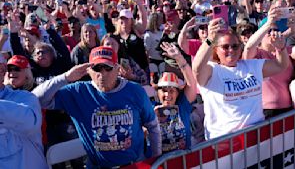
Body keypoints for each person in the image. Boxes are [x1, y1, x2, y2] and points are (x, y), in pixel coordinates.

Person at [33, 46, 161, 168]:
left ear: (117, 68)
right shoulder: (78, 92)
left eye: (107, 67)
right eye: (97, 68)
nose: (102, 73)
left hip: (134, 164)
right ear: (88, 70)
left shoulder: (135, 91)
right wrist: (66, 77)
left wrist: (157, 160)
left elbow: (152, 126)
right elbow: (36, 99)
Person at [192, 18, 289, 140]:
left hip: (256, 136)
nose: (231, 50)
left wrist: (281, 48)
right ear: (216, 49)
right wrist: (210, 38)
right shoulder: (212, 70)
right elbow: (197, 68)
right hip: (224, 141)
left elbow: (280, 65)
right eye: (225, 47)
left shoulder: (251, 65)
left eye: (235, 46)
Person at [243, 7, 295, 118]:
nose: (273, 33)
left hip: (287, 108)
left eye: (275, 30)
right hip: (264, 110)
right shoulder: (257, 53)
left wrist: (294, 30)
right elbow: (248, 48)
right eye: (268, 31)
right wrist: (268, 24)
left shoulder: (285, 50)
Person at [0, 54, 47, 169]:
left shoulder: (27, 98)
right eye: (10, 69)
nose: (13, 73)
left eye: (17, 69)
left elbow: (30, 123)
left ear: (1, 70)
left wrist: (66, 77)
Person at [154, 42, 197, 153]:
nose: (167, 95)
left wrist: (179, 58)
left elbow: (192, 84)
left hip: (183, 160)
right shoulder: (150, 108)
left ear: (178, 93)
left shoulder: (182, 106)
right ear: (157, 93)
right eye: (163, 90)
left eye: (172, 90)